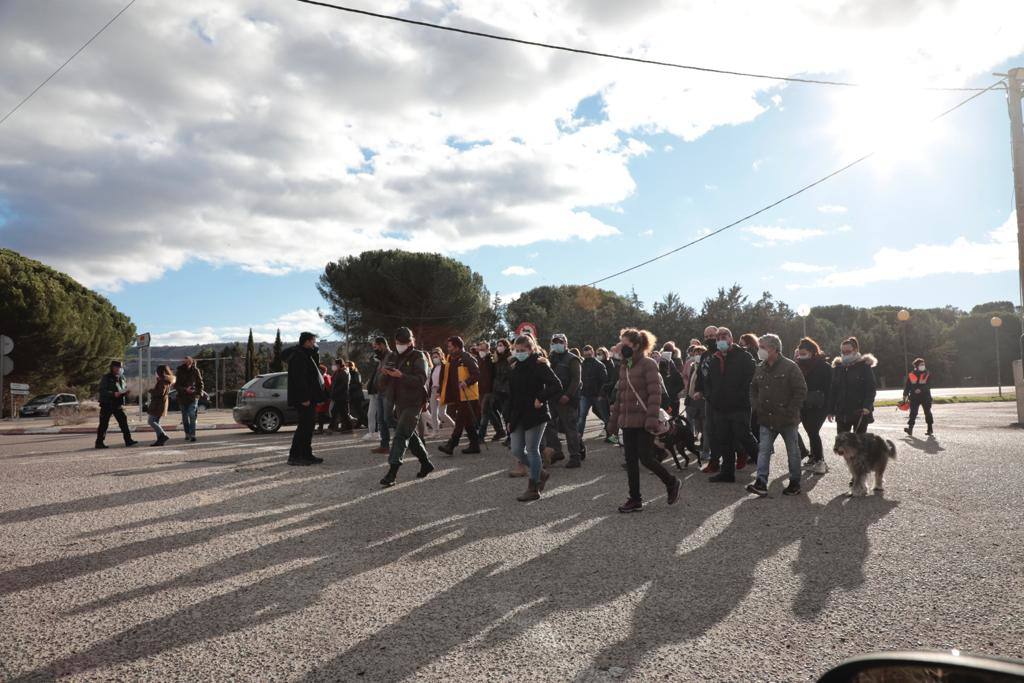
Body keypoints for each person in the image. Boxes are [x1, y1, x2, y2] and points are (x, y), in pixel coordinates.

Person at [606, 328, 681, 513]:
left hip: (644, 420)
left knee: (646, 458)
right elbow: (620, 397)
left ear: (637, 345)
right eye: (621, 344)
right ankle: (635, 499)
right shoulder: (624, 366)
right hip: (627, 420)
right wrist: (613, 422)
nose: (622, 347)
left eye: (626, 344)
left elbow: (655, 394)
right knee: (630, 460)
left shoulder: (648, 364)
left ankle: (671, 482)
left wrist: (651, 419)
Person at [746, 334, 808, 497]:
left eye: (762, 347)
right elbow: (753, 388)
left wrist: (791, 410)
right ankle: (761, 483)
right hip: (766, 418)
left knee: (793, 452)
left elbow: (801, 390)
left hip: (787, 419)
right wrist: (756, 406)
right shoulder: (760, 367)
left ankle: (795, 483)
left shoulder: (790, 367)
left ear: (773, 348)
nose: (760, 351)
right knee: (764, 451)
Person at [695, 327, 758, 483]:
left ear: (731, 338)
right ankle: (727, 473)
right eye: (718, 338)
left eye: (724, 336)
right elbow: (707, 380)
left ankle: (762, 466)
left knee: (743, 435)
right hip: (719, 407)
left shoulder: (744, 357)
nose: (720, 340)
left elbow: (751, 380)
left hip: (739, 406)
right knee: (724, 439)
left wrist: (740, 396)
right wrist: (711, 396)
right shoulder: (714, 358)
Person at [506, 334, 564, 501]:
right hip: (518, 414)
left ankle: (534, 487)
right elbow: (512, 394)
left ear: (531, 350)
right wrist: (508, 418)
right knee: (517, 449)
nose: (519, 353)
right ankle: (540, 472)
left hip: (535, 414)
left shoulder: (539, 364)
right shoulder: (515, 365)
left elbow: (556, 385)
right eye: (516, 350)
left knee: (532, 449)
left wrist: (540, 398)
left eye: (522, 350)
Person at [378, 327, 435, 486]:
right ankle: (426, 464)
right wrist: (384, 374)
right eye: (397, 342)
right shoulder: (393, 356)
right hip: (398, 402)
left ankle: (392, 473)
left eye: (403, 342)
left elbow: (420, 379)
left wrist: (401, 375)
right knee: (411, 434)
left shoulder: (419, 356)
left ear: (411, 342)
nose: (399, 345)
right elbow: (382, 383)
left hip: (414, 402)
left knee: (401, 434)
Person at [283, 332, 328, 466]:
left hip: (310, 397)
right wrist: (304, 398)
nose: (315, 344)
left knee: (309, 427)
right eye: (313, 341)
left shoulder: (307, 354)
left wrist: (316, 351)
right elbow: (299, 379)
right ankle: (295, 456)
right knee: (303, 427)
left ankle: (307, 454)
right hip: (303, 398)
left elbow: (313, 372)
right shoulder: (299, 356)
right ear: (307, 342)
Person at [542, 333, 585, 468]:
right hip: (552, 398)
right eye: (554, 342)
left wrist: (568, 395)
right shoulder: (550, 358)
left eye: (560, 342)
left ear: (566, 343)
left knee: (569, 428)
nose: (557, 344)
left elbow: (576, 380)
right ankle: (557, 451)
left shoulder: (572, 359)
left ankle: (575, 456)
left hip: (567, 399)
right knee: (548, 425)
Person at [438, 336, 482, 455]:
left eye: (450, 347)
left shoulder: (467, 357)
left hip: (467, 396)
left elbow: (477, 374)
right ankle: (475, 445)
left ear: (457, 347)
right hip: (457, 395)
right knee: (467, 421)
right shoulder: (451, 359)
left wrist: (466, 382)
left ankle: (451, 444)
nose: (448, 349)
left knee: (460, 420)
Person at [795, 338, 832, 475]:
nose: (801, 355)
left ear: (812, 352)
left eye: (803, 353)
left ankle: (820, 461)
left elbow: (830, 388)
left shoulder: (824, 366)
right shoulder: (798, 366)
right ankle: (815, 458)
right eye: (799, 353)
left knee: (813, 431)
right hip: (804, 405)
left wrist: (830, 408)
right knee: (810, 431)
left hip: (820, 405)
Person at [828, 336, 877, 434]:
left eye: (848, 351)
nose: (845, 354)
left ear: (855, 350)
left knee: (859, 444)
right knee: (842, 444)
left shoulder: (864, 367)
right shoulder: (838, 368)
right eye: (843, 352)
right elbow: (833, 390)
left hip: (860, 411)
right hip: (842, 412)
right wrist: (830, 410)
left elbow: (871, 388)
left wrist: (867, 406)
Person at [693, 325, 720, 471]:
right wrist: (698, 390)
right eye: (707, 336)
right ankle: (709, 455)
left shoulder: (722, 352)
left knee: (722, 428)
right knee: (709, 427)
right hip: (708, 398)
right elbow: (700, 375)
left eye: (712, 335)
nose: (710, 338)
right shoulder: (704, 355)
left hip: (721, 397)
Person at [95, 360, 137, 449]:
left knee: (123, 422)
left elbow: (123, 388)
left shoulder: (122, 378)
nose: (118, 369)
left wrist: (126, 392)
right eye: (117, 367)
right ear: (112, 368)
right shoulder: (106, 377)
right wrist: (113, 393)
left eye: (120, 367)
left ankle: (128, 441)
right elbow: (102, 391)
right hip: (107, 404)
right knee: (103, 424)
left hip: (118, 404)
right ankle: (99, 443)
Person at [475, 340, 507, 442]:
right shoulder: (478, 359)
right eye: (480, 349)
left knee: (485, 411)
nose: (481, 351)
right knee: (489, 411)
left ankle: (481, 435)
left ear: (488, 349)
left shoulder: (492, 359)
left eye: (483, 349)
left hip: (490, 390)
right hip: (481, 389)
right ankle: (500, 431)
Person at [366, 337, 393, 453]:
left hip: (388, 392)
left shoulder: (391, 356)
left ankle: (413, 441)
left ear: (382, 345)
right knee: (381, 419)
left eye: (375, 346)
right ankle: (384, 445)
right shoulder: (381, 358)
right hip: (380, 392)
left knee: (389, 419)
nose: (374, 349)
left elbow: (390, 373)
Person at [577, 345, 609, 437]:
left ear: (592, 352)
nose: (587, 353)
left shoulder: (599, 365)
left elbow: (604, 381)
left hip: (597, 395)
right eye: (585, 351)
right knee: (581, 416)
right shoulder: (581, 365)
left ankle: (611, 435)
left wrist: (601, 394)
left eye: (589, 350)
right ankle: (579, 436)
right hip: (585, 395)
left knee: (605, 416)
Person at [174, 356, 204, 443]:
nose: (186, 363)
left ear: (191, 362)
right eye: (185, 362)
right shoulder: (179, 371)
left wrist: (198, 393)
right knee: (184, 417)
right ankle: (187, 433)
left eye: (188, 362)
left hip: (193, 397)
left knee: (192, 415)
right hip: (182, 397)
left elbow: (200, 383)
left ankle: (193, 434)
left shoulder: (195, 371)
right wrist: (185, 389)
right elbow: (176, 385)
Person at [684, 344, 707, 452]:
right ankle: (702, 441)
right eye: (696, 353)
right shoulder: (694, 365)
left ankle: (705, 445)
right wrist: (687, 396)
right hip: (693, 398)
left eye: (700, 353)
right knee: (697, 423)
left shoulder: (706, 366)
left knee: (704, 423)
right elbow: (690, 382)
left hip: (702, 399)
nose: (697, 355)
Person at [426, 347, 454, 434]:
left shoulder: (445, 366)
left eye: (436, 356)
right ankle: (435, 432)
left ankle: (455, 426)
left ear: (441, 356)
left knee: (442, 414)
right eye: (433, 357)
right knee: (433, 414)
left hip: (442, 391)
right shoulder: (434, 368)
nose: (435, 358)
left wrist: (440, 391)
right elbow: (431, 381)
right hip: (433, 391)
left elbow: (446, 380)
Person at [903, 357, 934, 437]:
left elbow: (929, 385)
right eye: (921, 364)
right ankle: (910, 429)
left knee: (927, 412)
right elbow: (907, 386)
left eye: (923, 364)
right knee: (913, 413)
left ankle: (930, 429)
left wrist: (920, 389)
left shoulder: (927, 374)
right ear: (916, 366)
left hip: (925, 396)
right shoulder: (911, 374)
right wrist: (904, 395)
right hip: (914, 397)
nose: (923, 366)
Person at [147, 364, 175, 447]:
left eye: (157, 371)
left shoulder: (163, 381)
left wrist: (151, 390)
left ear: (160, 372)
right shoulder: (165, 380)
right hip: (160, 404)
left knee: (151, 421)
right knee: (156, 422)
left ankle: (163, 436)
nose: (156, 373)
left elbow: (160, 392)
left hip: (158, 404)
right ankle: (160, 440)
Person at [598, 346, 619, 444]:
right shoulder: (598, 364)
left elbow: (613, 380)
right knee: (606, 416)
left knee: (611, 417)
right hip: (602, 393)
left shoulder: (612, 365)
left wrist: (604, 387)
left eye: (600, 354)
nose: (599, 356)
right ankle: (610, 435)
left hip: (609, 394)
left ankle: (613, 436)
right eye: (597, 354)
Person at [659, 342, 685, 417]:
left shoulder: (676, 362)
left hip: (673, 399)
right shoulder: (660, 364)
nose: (668, 353)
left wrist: (673, 392)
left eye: (670, 351)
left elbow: (681, 383)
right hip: (663, 398)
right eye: (666, 350)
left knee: (674, 418)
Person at [329, 360, 354, 433]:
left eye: (334, 364)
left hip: (341, 396)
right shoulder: (338, 372)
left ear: (339, 364)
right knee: (340, 412)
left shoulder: (343, 372)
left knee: (339, 412)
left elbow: (344, 385)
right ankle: (348, 428)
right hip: (338, 396)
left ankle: (332, 428)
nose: (333, 366)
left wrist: (335, 392)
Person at [347, 361, 366, 428]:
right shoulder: (351, 374)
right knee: (357, 410)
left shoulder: (356, 373)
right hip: (353, 395)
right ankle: (358, 423)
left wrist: (349, 386)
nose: (348, 367)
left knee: (359, 410)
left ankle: (360, 423)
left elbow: (357, 384)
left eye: (350, 366)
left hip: (357, 395)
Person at [315, 363, 332, 435]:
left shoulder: (324, 377)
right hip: (324, 398)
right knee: (321, 414)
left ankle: (321, 428)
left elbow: (327, 388)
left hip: (323, 398)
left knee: (321, 414)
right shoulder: (326, 376)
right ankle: (321, 427)